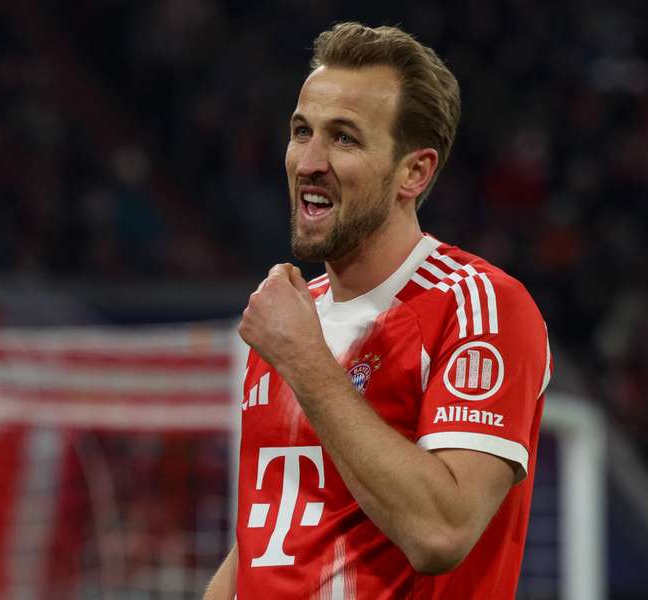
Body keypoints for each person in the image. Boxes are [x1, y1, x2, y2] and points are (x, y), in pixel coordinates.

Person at [205, 21, 550, 599]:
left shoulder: (477, 305)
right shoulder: (290, 318)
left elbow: (441, 531)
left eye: (344, 139)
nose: (309, 161)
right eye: (302, 131)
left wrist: (305, 360)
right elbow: (270, 539)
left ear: (414, 172)